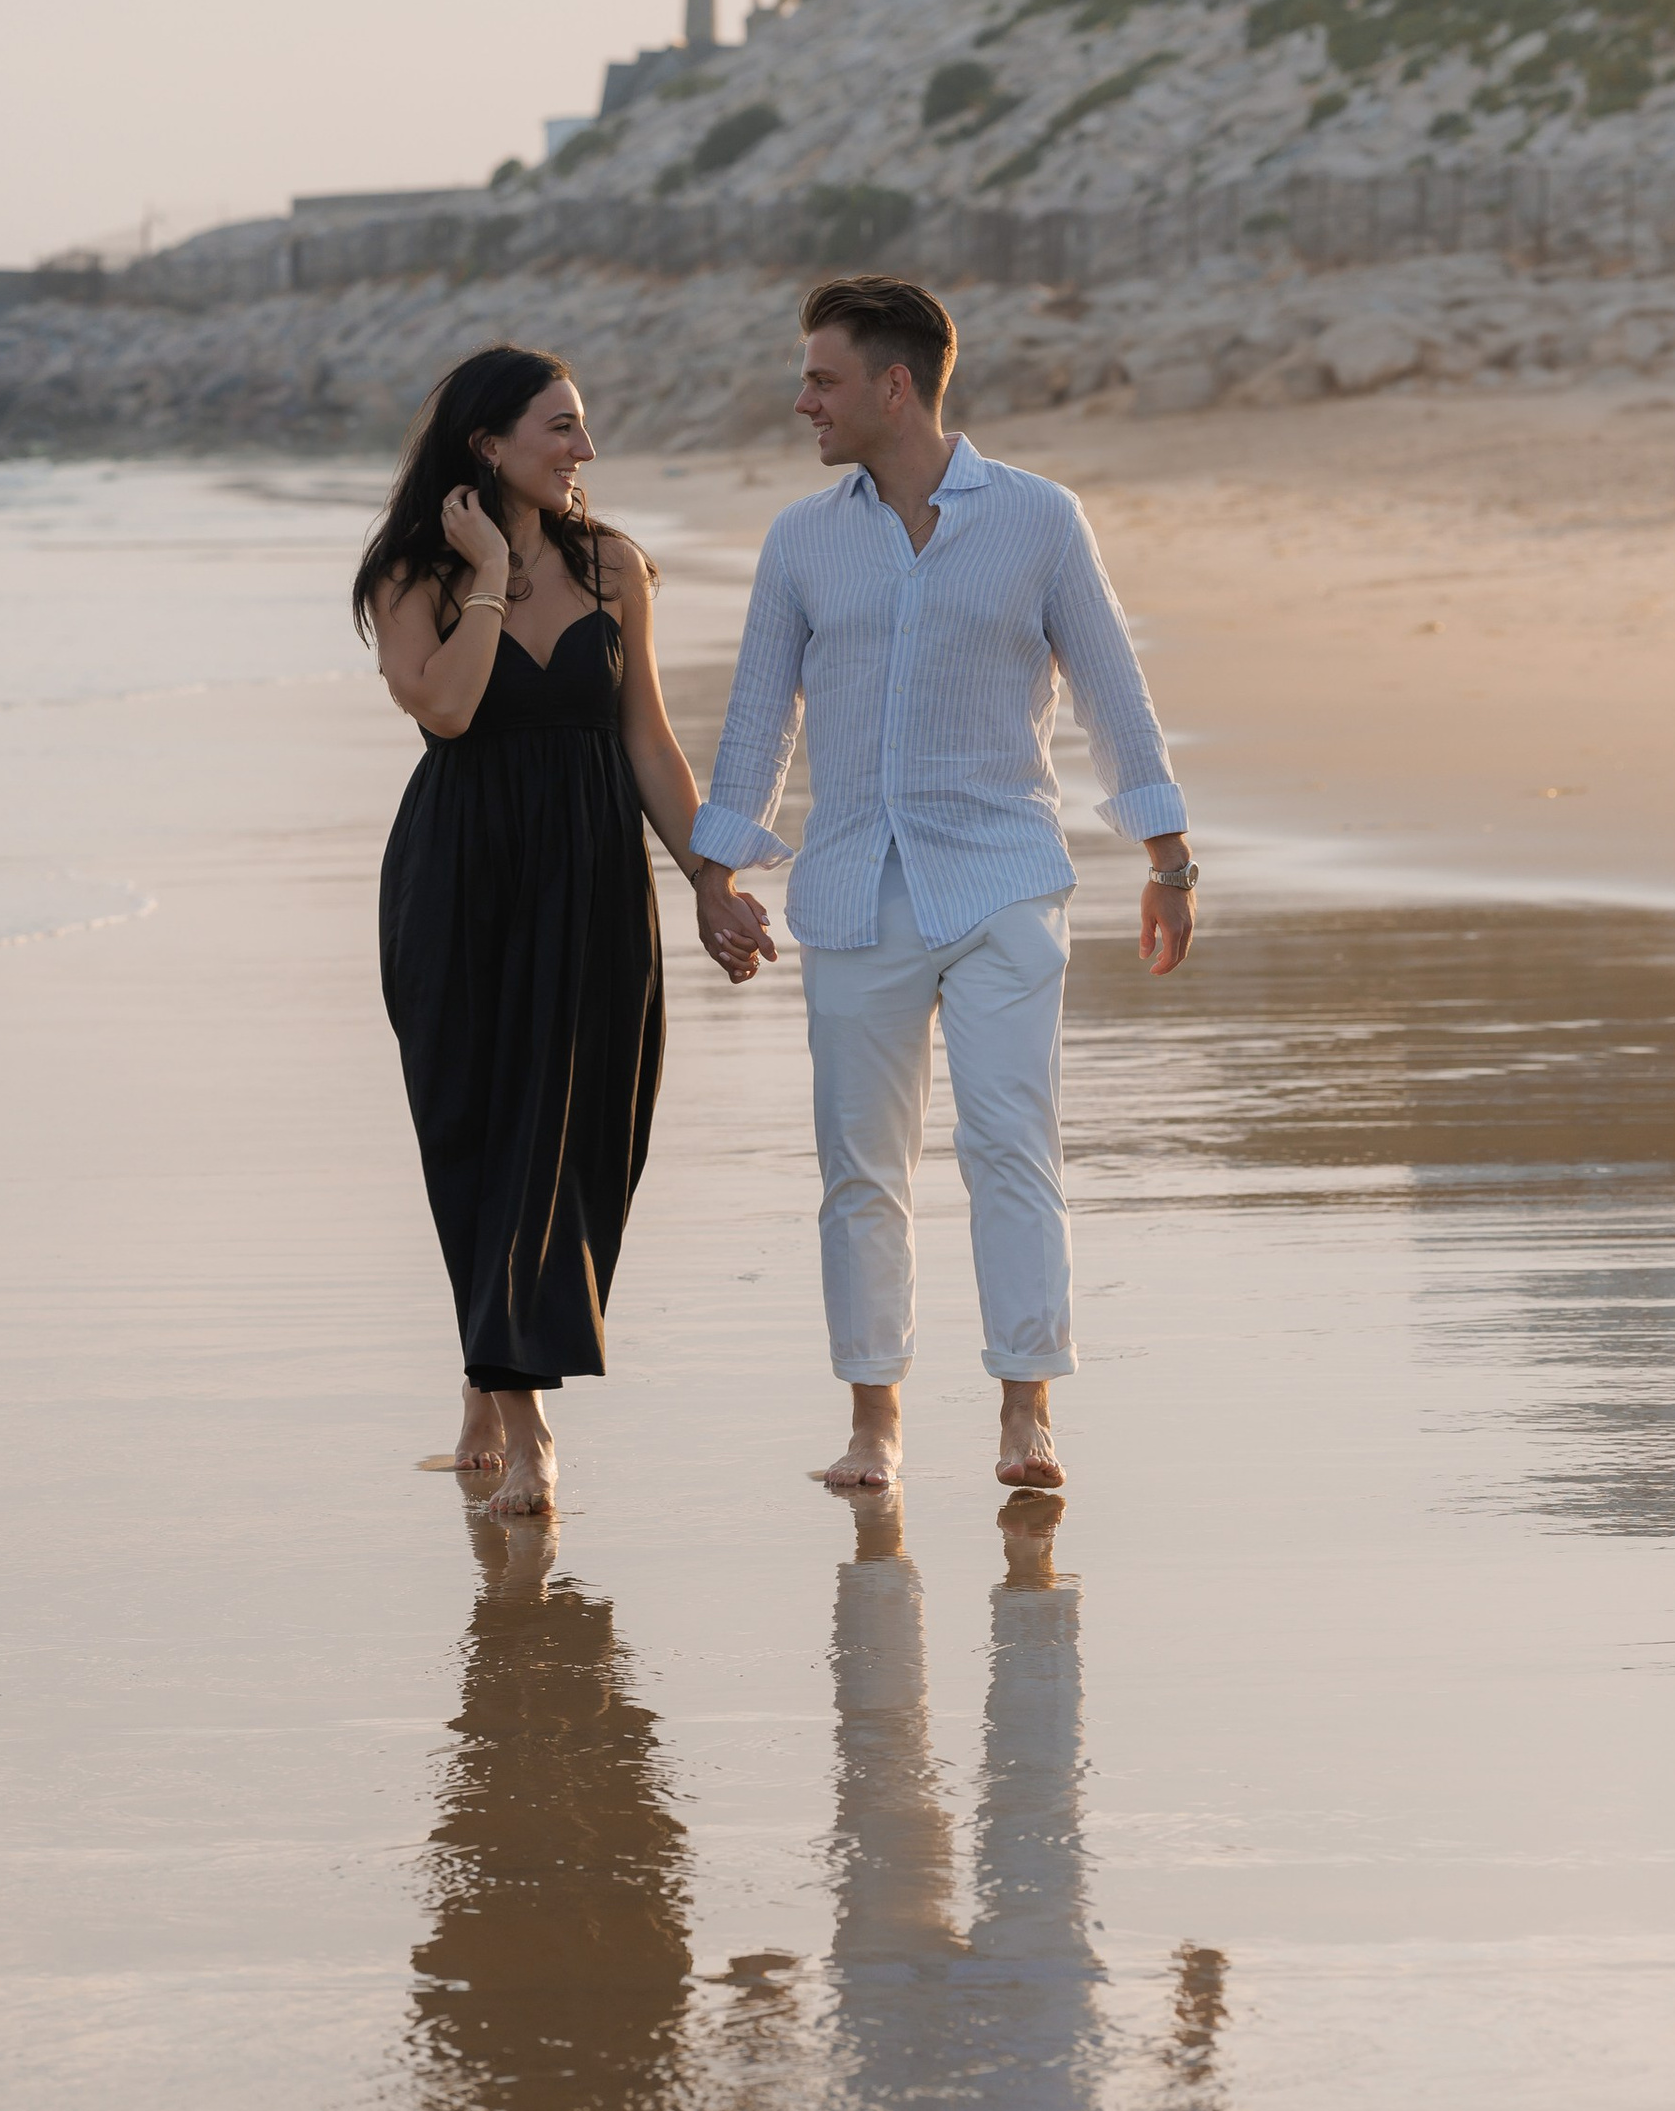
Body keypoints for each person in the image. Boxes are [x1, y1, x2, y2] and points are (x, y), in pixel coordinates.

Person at [687, 275, 1196, 1495]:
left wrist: (1167, 858)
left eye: (821, 376)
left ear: (892, 386)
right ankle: (875, 1423)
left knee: (1010, 1142)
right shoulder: (802, 540)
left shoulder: (1037, 519)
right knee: (859, 1164)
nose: (801, 398)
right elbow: (759, 718)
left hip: (1003, 881)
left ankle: (1027, 1411)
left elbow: (1112, 694)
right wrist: (713, 873)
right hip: (856, 887)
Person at [359, 345, 746, 1521]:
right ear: (489, 445)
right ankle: (527, 1422)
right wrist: (483, 574)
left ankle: (489, 1367)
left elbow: (647, 745)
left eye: (582, 427)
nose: (583, 449)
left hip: (589, 880)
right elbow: (449, 705)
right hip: (459, 884)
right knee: (482, 1143)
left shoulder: (613, 564)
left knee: (583, 1146)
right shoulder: (410, 573)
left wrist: (707, 881)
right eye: (560, 427)